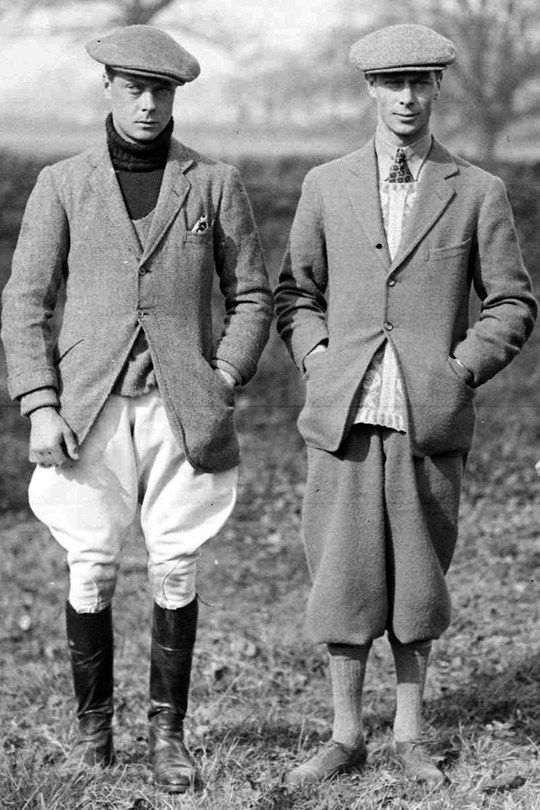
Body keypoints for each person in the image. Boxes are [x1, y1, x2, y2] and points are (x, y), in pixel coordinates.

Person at [1, 25, 272, 794]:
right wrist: (39, 402)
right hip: (86, 410)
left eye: (161, 91)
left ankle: (167, 735)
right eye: (133, 89)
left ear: (177, 95)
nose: (148, 105)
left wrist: (221, 373)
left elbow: (251, 295)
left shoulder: (212, 183)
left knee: (175, 560)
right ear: (109, 90)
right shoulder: (63, 183)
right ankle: (94, 734)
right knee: (89, 563)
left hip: (182, 411)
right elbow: (25, 301)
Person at [275, 23, 537, 788]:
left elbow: (513, 303)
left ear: (438, 89)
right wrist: (320, 359)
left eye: (421, 82)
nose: (407, 97)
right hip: (345, 416)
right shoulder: (325, 184)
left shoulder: (478, 191)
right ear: (369, 89)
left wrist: (460, 367)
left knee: (418, 579)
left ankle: (410, 734)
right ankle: (345, 734)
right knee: (343, 575)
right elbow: (296, 293)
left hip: (428, 419)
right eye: (393, 83)